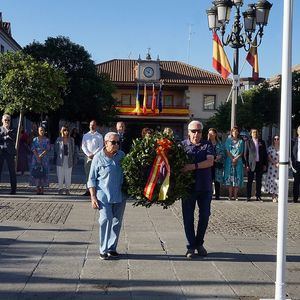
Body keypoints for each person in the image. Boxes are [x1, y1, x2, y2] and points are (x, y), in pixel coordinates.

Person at [88, 132, 126, 260]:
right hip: (103, 194)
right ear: (105, 143)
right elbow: (91, 179)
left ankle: (112, 248)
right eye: (113, 142)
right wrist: (93, 197)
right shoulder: (98, 157)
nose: (116, 145)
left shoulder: (122, 155)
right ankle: (103, 249)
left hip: (119, 194)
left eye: (118, 142)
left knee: (116, 222)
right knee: (106, 220)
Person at [181, 120, 214, 259]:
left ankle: (199, 243)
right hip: (187, 188)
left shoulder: (208, 145)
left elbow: (210, 161)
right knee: (188, 218)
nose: (196, 134)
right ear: (188, 132)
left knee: (205, 216)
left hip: (205, 186)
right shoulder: (182, 146)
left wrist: (192, 166)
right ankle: (191, 246)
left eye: (199, 131)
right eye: (193, 131)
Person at [244, 128, 268, 202]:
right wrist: (246, 165)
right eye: (253, 133)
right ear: (251, 134)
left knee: (259, 181)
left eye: (256, 132)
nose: (255, 134)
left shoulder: (262, 142)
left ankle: (258, 196)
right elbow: (245, 154)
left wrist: (265, 164)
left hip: (259, 164)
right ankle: (248, 196)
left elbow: (264, 154)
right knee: (250, 181)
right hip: (251, 164)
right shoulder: (248, 142)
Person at [81, 120, 103, 196]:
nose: (92, 126)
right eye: (91, 125)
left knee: (96, 173)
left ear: (96, 126)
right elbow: (83, 146)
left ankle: (96, 190)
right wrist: (88, 154)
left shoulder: (99, 136)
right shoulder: (85, 135)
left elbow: (100, 147)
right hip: (87, 157)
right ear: (89, 126)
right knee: (88, 173)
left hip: (97, 157)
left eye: (93, 125)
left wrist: (94, 154)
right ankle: (88, 190)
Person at [223, 126, 244, 201]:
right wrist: (232, 159)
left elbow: (241, 152)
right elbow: (227, 151)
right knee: (230, 178)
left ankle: (235, 195)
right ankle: (230, 195)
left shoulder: (241, 141)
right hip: (229, 161)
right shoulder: (228, 140)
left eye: (236, 131)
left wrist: (236, 158)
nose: (235, 132)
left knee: (237, 177)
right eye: (233, 131)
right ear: (231, 132)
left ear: (238, 132)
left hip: (238, 161)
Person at [54, 126, 75, 195]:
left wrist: (74, 159)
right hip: (60, 160)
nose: (66, 131)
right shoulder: (58, 139)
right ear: (61, 131)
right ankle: (60, 189)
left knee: (68, 175)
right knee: (60, 175)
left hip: (69, 159)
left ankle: (67, 189)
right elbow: (56, 150)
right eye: (64, 130)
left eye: (67, 130)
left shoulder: (71, 140)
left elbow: (73, 150)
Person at [30, 126, 51, 195]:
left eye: (43, 130)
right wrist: (37, 156)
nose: (42, 132)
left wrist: (41, 155)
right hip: (35, 158)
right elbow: (33, 148)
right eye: (40, 130)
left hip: (44, 158)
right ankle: (37, 188)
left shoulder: (47, 140)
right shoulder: (34, 139)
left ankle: (42, 188)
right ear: (38, 131)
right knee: (36, 172)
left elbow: (48, 148)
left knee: (43, 173)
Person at [0, 114, 17, 194]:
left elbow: (13, 138)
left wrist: (6, 136)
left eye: (8, 120)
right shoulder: (0, 129)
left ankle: (13, 190)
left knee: (12, 172)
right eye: (5, 120)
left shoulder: (13, 129)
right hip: (1, 151)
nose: (7, 121)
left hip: (10, 152)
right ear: (2, 121)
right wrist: (6, 137)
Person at [208, 128, 225, 200]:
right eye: (210, 134)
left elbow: (223, 152)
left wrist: (219, 157)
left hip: (217, 163)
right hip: (208, 164)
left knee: (217, 180)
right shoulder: (206, 143)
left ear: (215, 134)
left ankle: (217, 195)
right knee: (209, 179)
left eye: (212, 133)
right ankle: (209, 194)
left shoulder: (219, 143)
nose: (211, 135)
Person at [264, 135, 280, 202]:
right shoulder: (270, 148)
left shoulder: (282, 148)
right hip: (272, 167)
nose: (276, 140)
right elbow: (268, 157)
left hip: (280, 167)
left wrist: (279, 163)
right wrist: (274, 163)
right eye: (275, 139)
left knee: (279, 181)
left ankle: (278, 195)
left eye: (277, 139)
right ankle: (273, 196)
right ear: (273, 140)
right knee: (273, 181)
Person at [291, 125, 300, 203]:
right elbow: (291, 153)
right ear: (297, 132)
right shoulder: (294, 141)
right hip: (296, 164)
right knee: (296, 181)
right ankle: (295, 198)